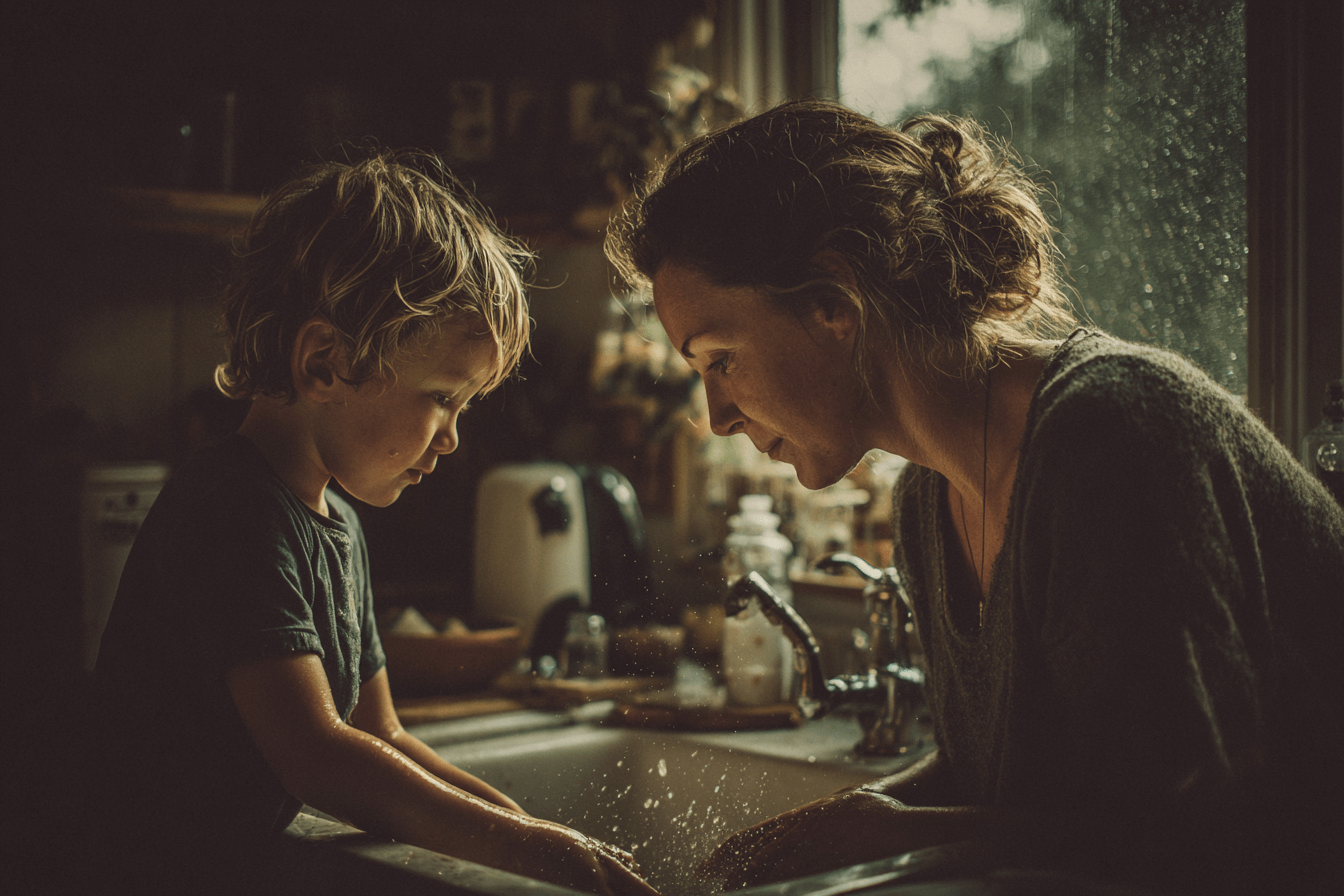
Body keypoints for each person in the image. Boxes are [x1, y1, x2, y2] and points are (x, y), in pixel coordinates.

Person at [605, 100, 1344, 895]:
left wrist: (886, 833)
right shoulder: (928, 498)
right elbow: (996, 784)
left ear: (834, 305)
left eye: (721, 360)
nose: (716, 418)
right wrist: (857, 813)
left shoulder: (1115, 435)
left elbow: (1185, 833)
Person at [89, 151, 657, 896]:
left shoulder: (338, 525)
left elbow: (380, 735)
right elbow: (320, 755)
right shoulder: (229, 508)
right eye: (441, 399)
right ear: (325, 363)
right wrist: (549, 857)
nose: (452, 437)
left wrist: (547, 842)